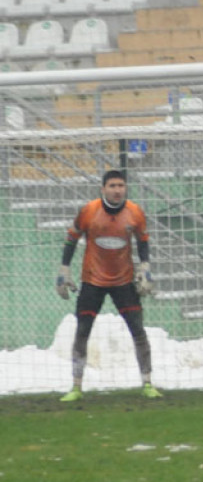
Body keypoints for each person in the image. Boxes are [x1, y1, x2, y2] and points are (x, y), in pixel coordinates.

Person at [55, 169, 161, 401]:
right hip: (92, 281)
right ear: (103, 189)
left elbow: (143, 241)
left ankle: (147, 383)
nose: (117, 190)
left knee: (138, 331)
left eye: (121, 185)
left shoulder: (135, 212)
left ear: (125, 188)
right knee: (82, 331)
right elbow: (72, 238)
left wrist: (145, 267)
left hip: (124, 281)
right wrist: (64, 269)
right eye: (112, 186)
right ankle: (76, 387)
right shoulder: (89, 211)